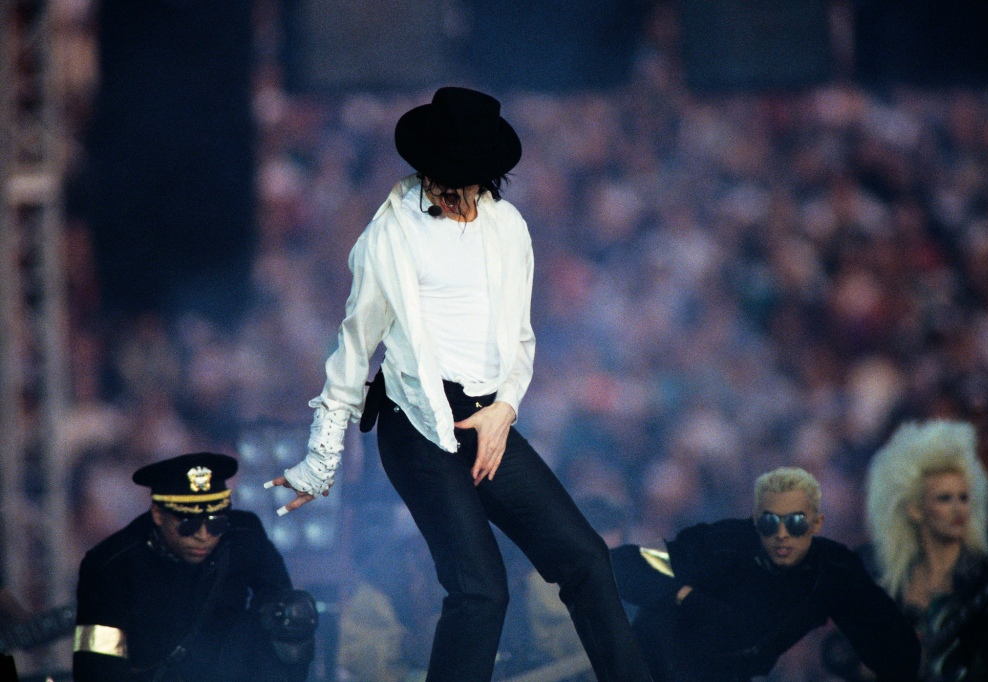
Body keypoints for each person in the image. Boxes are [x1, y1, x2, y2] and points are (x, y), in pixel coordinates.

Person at [267, 86, 652, 682]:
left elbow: (519, 341)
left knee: (585, 559)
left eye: (466, 182)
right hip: (413, 422)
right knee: (480, 591)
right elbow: (350, 351)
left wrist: (505, 410)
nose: (453, 194)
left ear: (487, 178)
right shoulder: (388, 238)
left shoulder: (508, 229)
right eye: (442, 181)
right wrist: (320, 463)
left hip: (484, 416)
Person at [610, 466, 920, 682]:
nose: (782, 535)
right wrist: (688, 597)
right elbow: (627, 564)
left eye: (796, 524)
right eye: (771, 523)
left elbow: (895, 646)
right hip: (667, 664)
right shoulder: (720, 543)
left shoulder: (833, 570)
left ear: (816, 524)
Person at [73, 452, 317, 682]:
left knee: (290, 614)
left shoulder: (244, 536)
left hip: (226, 672)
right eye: (189, 525)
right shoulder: (111, 565)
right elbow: (97, 665)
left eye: (216, 524)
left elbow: (284, 613)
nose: (203, 536)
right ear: (158, 514)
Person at [862, 419, 988, 681]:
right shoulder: (894, 584)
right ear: (914, 509)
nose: (958, 509)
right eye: (944, 498)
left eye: (964, 497)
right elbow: (841, 655)